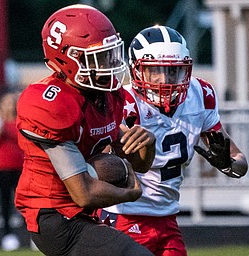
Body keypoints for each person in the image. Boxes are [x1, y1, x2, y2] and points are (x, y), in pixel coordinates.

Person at [14, 4, 156, 256]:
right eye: (99, 57)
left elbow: (139, 164)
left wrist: (147, 144)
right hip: (55, 216)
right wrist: (129, 193)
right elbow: (84, 193)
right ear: (66, 58)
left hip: (81, 213)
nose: (109, 63)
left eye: (110, 53)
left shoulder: (108, 95)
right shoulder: (52, 104)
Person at [99, 25, 249, 256]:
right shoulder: (124, 102)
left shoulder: (200, 94)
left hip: (167, 217)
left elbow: (240, 164)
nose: (165, 79)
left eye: (173, 70)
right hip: (123, 215)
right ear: (137, 70)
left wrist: (227, 163)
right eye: (155, 70)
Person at [0, 92, 24, 251]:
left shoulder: (22, 122)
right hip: (1, 166)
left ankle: (32, 234)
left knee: (25, 201)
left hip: (21, 165)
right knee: (5, 201)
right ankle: (7, 235)